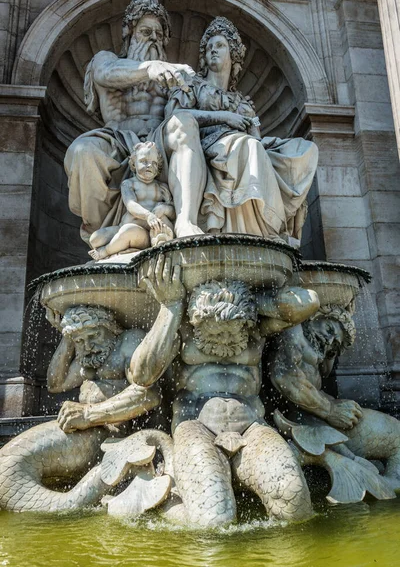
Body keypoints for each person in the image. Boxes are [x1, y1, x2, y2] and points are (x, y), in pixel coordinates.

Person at [57, 255, 321, 526]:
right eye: (215, 332)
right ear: (196, 322)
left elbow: (308, 302)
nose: (225, 339)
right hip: (196, 428)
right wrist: (171, 306)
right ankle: (169, 500)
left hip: (252, 427)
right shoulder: (182, 329)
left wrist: (249, 302)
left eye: (231, 332)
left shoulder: (255, 328)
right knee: (213, 521)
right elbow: (142, 375)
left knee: (295, 504)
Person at [163, 17, 319, 242]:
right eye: (208, 48)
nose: (212, 51)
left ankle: (262, 229)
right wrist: (224, 117)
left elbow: (256, 133)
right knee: (247, 147)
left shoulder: (243, 103)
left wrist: (258, 139)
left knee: (303, 149)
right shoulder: (191, 86)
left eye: (219, 46)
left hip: (242, 146)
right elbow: (174, 118)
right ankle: (258, 232)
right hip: (203, 146)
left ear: (233, 54)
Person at [64, 0, 199, 243]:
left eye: (159, 35)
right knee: (82, 150)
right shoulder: (107, 60)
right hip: (117, 137)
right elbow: (106, 74)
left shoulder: (172, 74)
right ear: (130, 32)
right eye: (146, 33)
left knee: (185, 126)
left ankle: (184, 220)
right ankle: (101, 230)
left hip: (160, 141)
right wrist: (150, 68)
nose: (153, 40)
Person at [268, 304, 400, 490]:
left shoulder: (319, 347)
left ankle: (387, 479)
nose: (329, 339)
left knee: (397, 432)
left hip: (320, 414)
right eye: (329, 329)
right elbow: (284, 375)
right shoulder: (294, 329)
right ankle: (380, 480)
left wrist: (330, 350)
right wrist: (330, 410)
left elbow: (324, 371)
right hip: (305, 419)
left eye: (334, 343)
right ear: (316, 316)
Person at [88, 141, 175, 260]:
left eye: (153, 163)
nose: (149, 165)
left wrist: (164, 208)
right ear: (133, 164)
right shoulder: (129, 184)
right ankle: (123, 245)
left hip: (146, 233)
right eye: (144, 161)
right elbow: (131, 204)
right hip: (126, 225)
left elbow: (173, 212)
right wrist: (148, 215)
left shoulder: (161, 187)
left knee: (127, 231)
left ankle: (104, 252)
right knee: (94, 239)